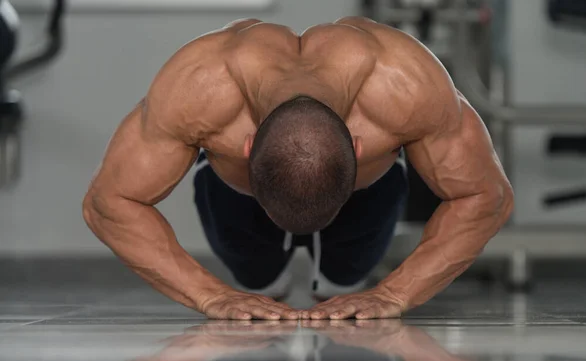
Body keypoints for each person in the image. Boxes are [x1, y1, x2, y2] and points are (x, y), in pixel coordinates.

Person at [83, 17, 513, 320]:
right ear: (247, 148)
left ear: (357, 147)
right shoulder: (200, 86)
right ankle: (262, 265)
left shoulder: (406, 83)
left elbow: (487, 196)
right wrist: (211, 296)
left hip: (365, 198)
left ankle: (342, 258)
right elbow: (108, 203)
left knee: (344, 282)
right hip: (239, 200)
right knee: (257, 282)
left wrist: (394, 294)